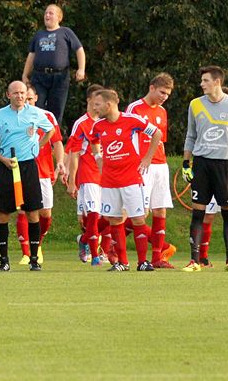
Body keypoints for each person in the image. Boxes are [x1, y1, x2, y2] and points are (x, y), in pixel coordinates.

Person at [180, 66, 228, 272]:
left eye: (205, 80)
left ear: (217, 82)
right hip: (202, 163)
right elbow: (190, 135)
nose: (202, 84)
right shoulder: (195, 104)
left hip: (226, 165)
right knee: (198, 213)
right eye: (202, 80)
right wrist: (186, 163)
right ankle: (195, 261)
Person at [0, 81, 55, 271]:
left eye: (22, 93)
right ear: (8, 95)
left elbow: (50, 130)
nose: (20, 96)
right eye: (16, 93)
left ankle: (34, 259)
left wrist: (39, 145)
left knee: (32, 212)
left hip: (29, 166)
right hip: (7, 166)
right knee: (4, 213)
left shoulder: (36, 113)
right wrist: (2, 158)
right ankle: (4, 260)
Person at [90, 89, 162, 272]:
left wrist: (147, 158)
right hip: (109, 181)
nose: (94, 107)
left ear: (109, 104)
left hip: (131, 179)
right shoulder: (98, 126)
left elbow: (156, 133)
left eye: (97, 104)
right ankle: (122, 262)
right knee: (114, 220)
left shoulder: (131, 120)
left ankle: (143, 262)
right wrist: (98, 158)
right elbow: (93, 141)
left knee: (138, 219)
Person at [125, 73, 178, 269]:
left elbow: (161, 140)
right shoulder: (135, 108)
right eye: (162, 92)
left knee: (160, 210)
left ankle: (158, 257)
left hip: (160, 165)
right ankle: (111, 243)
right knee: (141, 213)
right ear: (152, 87)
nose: (165, 96)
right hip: (142, 166)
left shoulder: (162, 111)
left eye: (168, 94)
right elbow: (127, 135)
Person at [15, 85, 66, 265]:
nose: (26, 101)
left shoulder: (47, 116)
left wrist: (60, 162)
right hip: (22, 169)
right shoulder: (15, 116)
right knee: (23, 209)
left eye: (29, 98)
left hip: (43, 170)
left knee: (45, 213)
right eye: (24, 98)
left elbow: (57, 142)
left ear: (36, 98)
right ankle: (26, 253)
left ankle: (38, 244)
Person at [21, 4, 86, 124]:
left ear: (59, 17)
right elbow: (31, 55)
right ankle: (35, 139)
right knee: (36, 108)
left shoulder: (65, 32)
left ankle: (53, 141)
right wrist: (25, 75)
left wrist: (81, 69)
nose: (47, 15)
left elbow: (79, 50)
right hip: (39, 77)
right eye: (46, 13)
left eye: (51, 13)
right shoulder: (39, 35)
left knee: (56, 111)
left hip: (60, 77)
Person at [66, 84, 106, 266]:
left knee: (109, 216)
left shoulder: (107, 123)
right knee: (93, 215)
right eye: (96, 100)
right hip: (88, 174)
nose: (99, 104)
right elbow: (73, 153)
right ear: (89, 100)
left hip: (107, 177)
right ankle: (95, 255)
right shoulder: (81, 124)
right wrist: (71, 180)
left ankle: (85, 240)